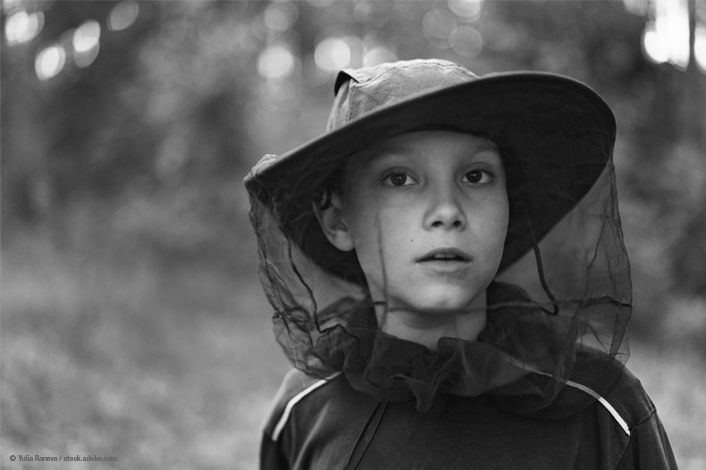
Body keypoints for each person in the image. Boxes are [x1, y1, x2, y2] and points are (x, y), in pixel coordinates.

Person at [244, 59, 678, 469]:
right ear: (339, 219)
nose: (447, 210)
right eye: (399, 178)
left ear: (510, 206)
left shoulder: (600, 409)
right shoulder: (304, 410)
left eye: (475, 176)